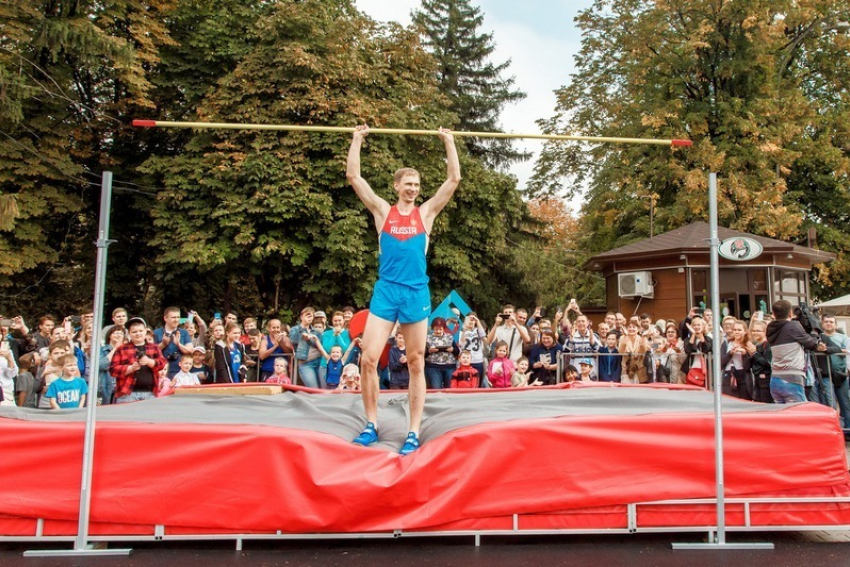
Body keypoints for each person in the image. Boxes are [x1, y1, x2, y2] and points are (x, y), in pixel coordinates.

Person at [346, 123, 460, 455]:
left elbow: (452, 180)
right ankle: (371, 424)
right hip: (387, 291)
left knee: (415, 361)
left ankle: (412, 431)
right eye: (408, 184)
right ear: (396, 186)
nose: (413, 188)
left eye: (417, 184)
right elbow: (355, 177)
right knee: (368, 359)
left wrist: (448, 142)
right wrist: (357, 139)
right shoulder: (383, 211)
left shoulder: (426, 213)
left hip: (415, 293)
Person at [766, 300, 826, 403]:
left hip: (775, 379)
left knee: (783, 415)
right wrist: (815, 331)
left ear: (773, 313)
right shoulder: (793, 326)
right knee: (799, 413)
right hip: (792, 379)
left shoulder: (770, 328)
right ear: (790, 313)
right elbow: (811, 344)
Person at [110, 317, 168, 403]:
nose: (138, 334)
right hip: (127, 393)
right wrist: (130, 368)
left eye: (140, 331)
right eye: (134, 332)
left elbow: (162, 364)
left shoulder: (154, 347)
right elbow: (113, 370)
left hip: (151, 392)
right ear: (129, 334)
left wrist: (149, 361)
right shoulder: (121, 349)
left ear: (145, 331)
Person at [818, 314, 849, 424]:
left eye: (831, 322)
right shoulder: (819, 337)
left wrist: (829, 349)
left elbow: (848, 350)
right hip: (825, 375)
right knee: (828, 405)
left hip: (841, 374)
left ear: (835, 325)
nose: (829, 324)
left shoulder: (843, 338)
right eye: (826, 321)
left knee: (845, 404)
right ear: (822, 324)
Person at [153, 307, 194, 378]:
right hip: (161, 371)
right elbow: (150, 352)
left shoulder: (184, 333)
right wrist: (163, 344)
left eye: (178, 317)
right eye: (173, 317)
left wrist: (178, 344)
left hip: (180, 372)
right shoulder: (156, 333)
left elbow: (190, 350)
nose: (176, 320)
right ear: (165, 318)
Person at [720, 320, 754, 399]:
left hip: (743, 376)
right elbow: (721, 363)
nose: (737, 332)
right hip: (729, 375)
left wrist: (744, 354)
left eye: (739, 330)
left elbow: (749, 366)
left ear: (745, 331)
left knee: (744, 400)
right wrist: (730, 353)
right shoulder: (727, 343)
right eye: (735, 330)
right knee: (729, 400)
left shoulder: (748, 344)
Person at [424, 317, 459, 389]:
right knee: (435, 388)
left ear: (444, 328)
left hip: (449, 366)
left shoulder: (449, 337)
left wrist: (452, 350)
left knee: (450, 388)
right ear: (433, 328)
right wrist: (429, 351)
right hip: (433, 367)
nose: (438, 331)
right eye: (436, 329)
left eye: (440, 329)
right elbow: (423, 354)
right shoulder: (428, 338)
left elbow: (457, 351)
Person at [98, 325, 126, 405]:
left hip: (121, 388)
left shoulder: (127, 351)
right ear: (109, 335)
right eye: (115, 333)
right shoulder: (102, 350)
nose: (118, 335)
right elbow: (102, 365)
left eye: (120, 333)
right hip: (105, 387)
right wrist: (115, 348)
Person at [749, 320, 773, 403]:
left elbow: (767, 363)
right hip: (757, 379)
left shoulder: (767, 344)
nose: (755, 333)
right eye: (753, 330)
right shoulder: (756, 345)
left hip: (766, 380)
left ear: (765, 332)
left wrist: (755, 353)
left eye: (758, 331)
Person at [619, 317, 648, 384]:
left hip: (639, 369)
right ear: (626, 329)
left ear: (638, 329)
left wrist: (643, 338)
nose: (631, 329)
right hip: (626, 369)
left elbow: (643, 350)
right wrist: (626, 336)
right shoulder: (622, 338)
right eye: (629, 327)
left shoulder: (642, 338)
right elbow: (621, 351)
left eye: (634, 327)